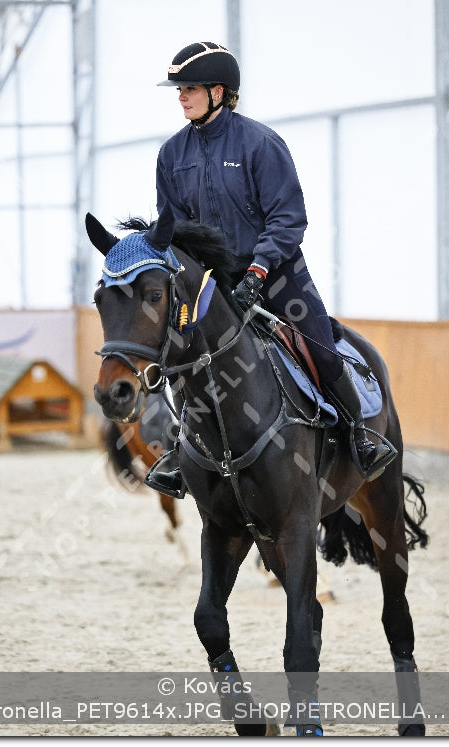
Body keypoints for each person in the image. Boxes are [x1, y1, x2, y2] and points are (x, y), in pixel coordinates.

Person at [144, 41, 394, 495]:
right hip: (213, 282)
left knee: (318, 342)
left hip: (277, 273)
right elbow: (172, 226)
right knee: (181, 352)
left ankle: (360, 435)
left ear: (220, 91)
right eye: (178, 89)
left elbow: (287, 217)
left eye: (189, 88)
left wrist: (259, 270)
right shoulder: (171, 155)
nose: (180, 96)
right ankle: (182, 451)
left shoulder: (261, 143)